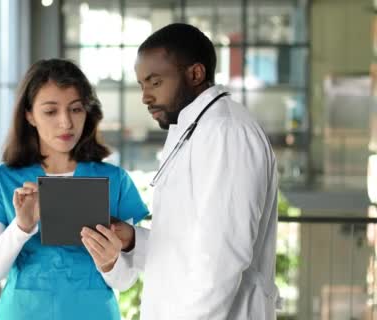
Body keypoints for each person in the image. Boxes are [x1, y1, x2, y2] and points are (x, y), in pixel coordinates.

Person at [80, 23, 280, 319]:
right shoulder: (196, 130)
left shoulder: (226, 132)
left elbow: (221, 260)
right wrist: (134, 239)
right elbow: (186, 251)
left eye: (155, 82)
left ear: (195, 74)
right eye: (142, 85)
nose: (145, 97)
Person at [0, 58, 149, 320]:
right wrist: (21, 227)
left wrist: (110, 262)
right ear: (29, 115)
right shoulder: (1, 181)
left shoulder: (115, 180)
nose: (66, 123)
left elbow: (125, 281)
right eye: (51, 111)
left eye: (75, 109)